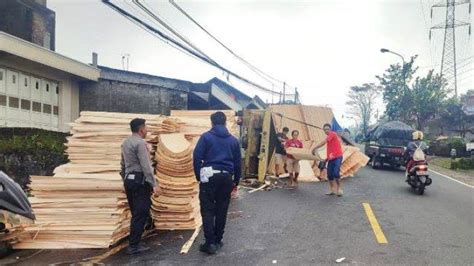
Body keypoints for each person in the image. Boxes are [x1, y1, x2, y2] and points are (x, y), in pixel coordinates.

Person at [193, 111, 242, 255]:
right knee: (221, 209)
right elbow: (238, 163)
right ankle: (218, 240)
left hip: (209, 176)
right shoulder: (233, 141)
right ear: (225, 122)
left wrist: (198, 176)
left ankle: (210, 243)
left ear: (212, 123)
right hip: (226, 177)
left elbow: (196, 157)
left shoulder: (206, 137)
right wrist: (236, 181)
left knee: (207, 209)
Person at [121, 118, 159, 255]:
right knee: (140, 212)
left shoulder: (125, 143)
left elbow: (123, 165)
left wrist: (125, 180)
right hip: (139, 180)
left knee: (135, 212)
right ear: (141, 129)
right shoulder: (140, 144)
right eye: (146, 128)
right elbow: (146, 166)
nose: (147, 130)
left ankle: (135, 241)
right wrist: (154, 184)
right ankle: (134, 245)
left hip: (129, 180)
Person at [312, 123, 344, 196]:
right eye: (325, 130)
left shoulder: (333, 134)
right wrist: (326, 159)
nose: (326, 131)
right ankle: (332, 190)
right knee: (329, 175)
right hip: (331, 158)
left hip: (338, 157)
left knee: (336, 173)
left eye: (327, 129)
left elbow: (323, 142)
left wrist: (314, 148)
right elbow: (330, 150)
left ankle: (339, 189)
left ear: (330, 129)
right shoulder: (330, 138)